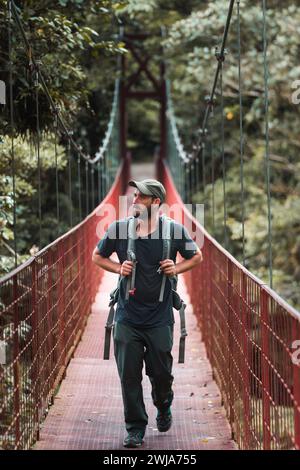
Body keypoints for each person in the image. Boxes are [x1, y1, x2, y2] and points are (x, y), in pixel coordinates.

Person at [92, 179, 203, 448]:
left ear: (155, 202)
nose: (134, 200)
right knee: (129, 376)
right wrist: (118, 269)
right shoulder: (118, 230)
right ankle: (135, 429)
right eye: (134, 195)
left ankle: (163, 404)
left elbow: (197, 256)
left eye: (140, 196)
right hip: (127, 317)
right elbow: (97, 256)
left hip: (160, 318)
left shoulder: (173, 231)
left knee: (161, 374)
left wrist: (176, 268)